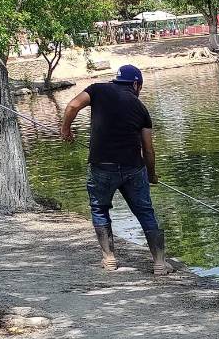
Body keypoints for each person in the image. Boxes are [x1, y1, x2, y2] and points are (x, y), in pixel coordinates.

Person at [60, 64, 172, 275]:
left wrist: (66, 130)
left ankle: (109, 259)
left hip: (102, 167)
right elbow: (148, 150)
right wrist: (152, 174)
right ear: (136, 84)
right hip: (133, 168)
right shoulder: (141, 108)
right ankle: (159, 263)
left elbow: (73, 106)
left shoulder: (97, 90)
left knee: (100, 209)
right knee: (145, 212)